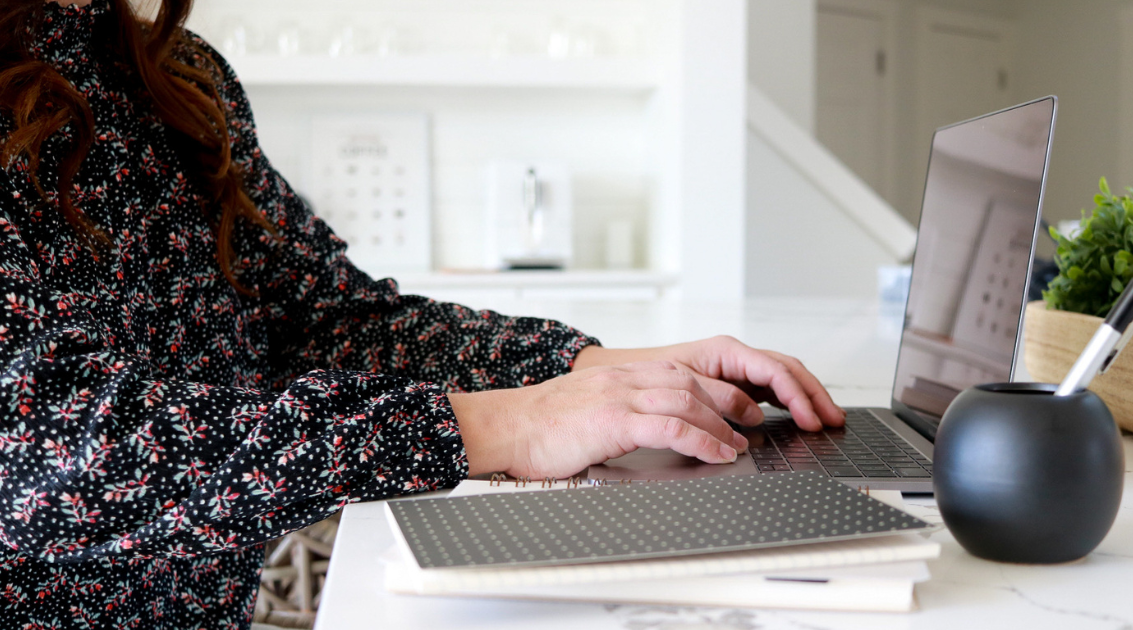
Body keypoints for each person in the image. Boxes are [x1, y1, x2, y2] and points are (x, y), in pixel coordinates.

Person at [0, 0, 845, 627]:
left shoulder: (175, 73)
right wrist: (495, 427)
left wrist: (603, 371)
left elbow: (331, 320)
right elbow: (38, 449)